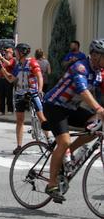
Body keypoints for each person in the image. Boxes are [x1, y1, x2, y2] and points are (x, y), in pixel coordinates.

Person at [42, 39, 104, 202]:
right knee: (64, 141)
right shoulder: (80, 67)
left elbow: (99, 93)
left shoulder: (98, 73)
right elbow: (83, 91)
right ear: (96, 56)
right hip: (54, 105)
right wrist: (99, 109)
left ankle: (67, 155)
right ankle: (51, 183)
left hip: (71, 108)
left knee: (95, 126)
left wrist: (99, 113)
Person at [1, 43, 46, 155]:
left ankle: (49, 140)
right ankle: (19, 146)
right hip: (20, 94)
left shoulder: (32, 62)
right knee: (20, 120)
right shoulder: (18, 65)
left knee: (41, 117)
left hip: (32, 92)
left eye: (16, 51)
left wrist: (40, 89)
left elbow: (39, 76)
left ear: (21, 53)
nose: (15, 54)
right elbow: (12, 79)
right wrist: (2, 69)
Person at [0, 47, 15, 115]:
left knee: (9, 95)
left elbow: (9, 64)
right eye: (6, 52)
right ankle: (1, 111)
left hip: (9, 80)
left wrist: (2, 58)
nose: (6, 54)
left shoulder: (12, 60)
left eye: (8, 52)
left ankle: (10, 110)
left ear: (11, 53)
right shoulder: (3, 60)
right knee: (1, 95)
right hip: (2, 79)